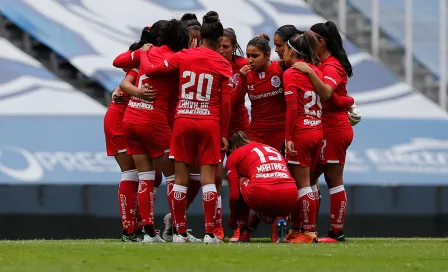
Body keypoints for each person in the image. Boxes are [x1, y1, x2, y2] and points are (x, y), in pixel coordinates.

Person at [140, 11, 232, 244]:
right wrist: (223, 133)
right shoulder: (223, 62)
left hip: (183, 119)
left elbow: (152, 70)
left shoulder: (184, 56)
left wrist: (143, 54)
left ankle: (179, 233)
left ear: (201, 36)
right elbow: (226, 102)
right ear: (220, 40)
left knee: (180, 179)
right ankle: (211, 234)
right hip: (209, 121)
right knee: (208, 179)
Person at [121, 19, 191, 243]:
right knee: (174, 177)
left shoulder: (148, 51)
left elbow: (122, 71)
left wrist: (141, 54)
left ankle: (149, 233)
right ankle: (179, 232)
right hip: (153, 121)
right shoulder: (177, 58)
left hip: (131, 117)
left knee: (145, 176)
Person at [292, 21, 360, 242]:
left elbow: (327, 93)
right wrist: (348, 101)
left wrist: (309, 73)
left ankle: (334, 232)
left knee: (331, 179)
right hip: (326, 127)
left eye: (312, 40)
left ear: (322, 42)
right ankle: (309, 229)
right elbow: (337, 97)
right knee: (312, 177)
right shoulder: (322, 63)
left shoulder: (330, 66)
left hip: (333, 129)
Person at [283, 32, 323, 243]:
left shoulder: (291, 73)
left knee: (303, 185)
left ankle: (308, 232)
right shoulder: (315, 71)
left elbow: (292, 107)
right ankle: (296, 229)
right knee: (309, 183)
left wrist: (288, 136)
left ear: (292, 51)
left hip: (301, 133)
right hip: (317, 129)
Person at [225, 132, 297, 243]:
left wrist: (232, 220)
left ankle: (243, 230)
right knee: (278, 188)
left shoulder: (234, 155)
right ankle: (278, 224)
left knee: (241, 180)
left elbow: (234, 196)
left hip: (261, 195)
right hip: (290, 196)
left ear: (230, 149)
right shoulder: (271, 148)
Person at [216, 27, 249, 241]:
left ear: (234, 47)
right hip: (215, 126)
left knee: (242, 178)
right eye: (218, 46)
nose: (221, 50)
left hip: (239, 128)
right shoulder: (209, 63)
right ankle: (215, 226)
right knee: (215, 178)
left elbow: (234, 101)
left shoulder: (244, 66)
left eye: (225, 47)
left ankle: (240, 226)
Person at [232, 34, 286, 153]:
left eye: (255, 56)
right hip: (256, 132)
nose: (250, 60)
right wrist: (241, 80)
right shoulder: (246, 74)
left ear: (267, 55)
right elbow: (233, 105)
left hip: (280, 131)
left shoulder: (280, 69)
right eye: (248, 56)